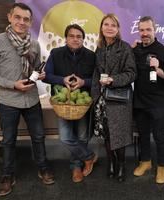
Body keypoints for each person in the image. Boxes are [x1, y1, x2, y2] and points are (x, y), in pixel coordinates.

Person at [0, 3, 54, 196]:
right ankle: (7, 175)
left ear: (30, 22)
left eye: (26, 19)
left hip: (31, 99)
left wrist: (42, 73)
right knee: (8, 141)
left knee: (38, 137)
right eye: (18, 17)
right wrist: (13, 84)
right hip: (8, 101)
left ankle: (43, 167)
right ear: (10, 17)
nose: (22, 22)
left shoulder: (34, 44)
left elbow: (37, 67)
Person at [43, 24, 97, 183]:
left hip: (83, 103)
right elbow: (46, 76)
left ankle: (76, 167)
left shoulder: (91, 56)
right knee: (66, 137)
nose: (75, 39)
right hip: (64, 103)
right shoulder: (56, 53)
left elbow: (96, 80)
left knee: (82, 136)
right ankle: (89, 156)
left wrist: (83, 82)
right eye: (72, 36)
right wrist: (61, 80)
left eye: (79, 36)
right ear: (66, 38)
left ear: (83, 39)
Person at [91, 13, 136, 182]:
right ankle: (111, 162)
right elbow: (95, 72)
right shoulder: (99, 48)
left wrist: (113, 80)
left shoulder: (124, 47)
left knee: (120, 134)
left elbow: (132, 73)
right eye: (106, 24)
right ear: (101, 28)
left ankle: (122, 165)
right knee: (107, 134)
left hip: (119, 98)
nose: (109, 28)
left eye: (113, 25)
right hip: (102, 98)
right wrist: (95, 94)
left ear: (117, 29)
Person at [133, 16, 164, 184]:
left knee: (159, 136)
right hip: (139, 100)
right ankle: (145, 162)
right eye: (142, 30)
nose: (145, 33)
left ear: (154, 30)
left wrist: (158, 69)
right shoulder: (135, 50)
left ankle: (162, 167)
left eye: (148, 30)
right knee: (143, 134)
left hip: (157, 101)